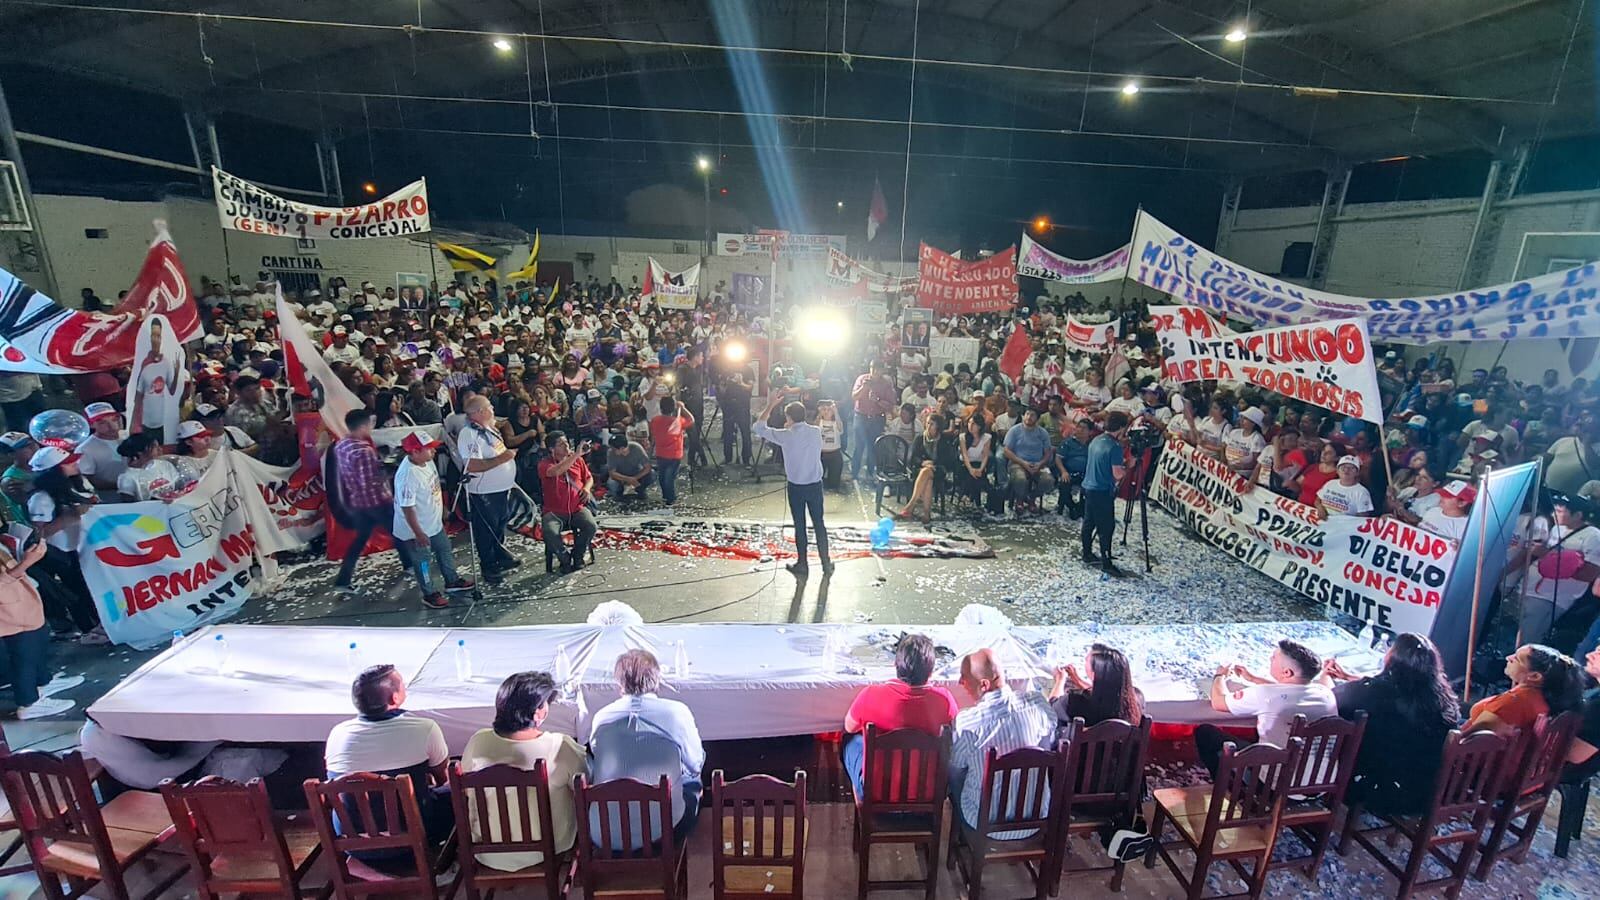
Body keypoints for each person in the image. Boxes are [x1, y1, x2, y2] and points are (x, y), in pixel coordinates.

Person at [1318, 633, 1461, 814]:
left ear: (1392, 659)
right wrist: (1350, 677)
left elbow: (1327, 699)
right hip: (1426, 795)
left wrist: (1324, 676)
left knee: (1336, 735)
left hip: (1382, 793)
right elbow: (1399, 690)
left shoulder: (1375, 692)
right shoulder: (1444, 699)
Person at [460, 671, 586, 871]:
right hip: (548, 849)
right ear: (537, 712)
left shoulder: (478, 742)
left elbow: (464, 791)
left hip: (487, 852)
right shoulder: (559, 745)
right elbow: (585, 787)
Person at [324, 665, 454, 853]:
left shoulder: (337, 734)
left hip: (355, 845)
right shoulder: (424, 728)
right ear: (394, 697)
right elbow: (443, 778)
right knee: (457, 789)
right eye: (402, 685)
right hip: (416, 841)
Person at [589, 650, 705, 846]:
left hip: (603, 836)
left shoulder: (602, 717)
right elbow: (695, 764)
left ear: (619, 684)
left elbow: (597, 756)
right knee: (693, 783)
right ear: (657, 680)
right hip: (665, 833)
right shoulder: (677, 713)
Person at [948, 648, 1056, 838]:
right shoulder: (1038, 704)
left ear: (983, 685)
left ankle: (962, 839)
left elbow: (956, 770)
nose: (959, 682)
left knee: (954, 771)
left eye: (963, 677)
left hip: (986, 823)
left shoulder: (968, 723)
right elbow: (1050, 739)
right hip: (1037, 818)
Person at [839, 634, 958, 797]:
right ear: (931, 671)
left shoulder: (870, 695)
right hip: (927, 792)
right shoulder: (945, 700)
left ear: (895, 664)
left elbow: (849, 726)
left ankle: (862, 801)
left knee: (850, 739)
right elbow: (954, 738)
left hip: (877, 792)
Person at [1196, 639, 1336, 777]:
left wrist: (1219, 676)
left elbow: (1218, 702)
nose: (1270, 658)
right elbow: (1289, 690)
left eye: (1274, 658)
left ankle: (1229, 787)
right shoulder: (1326, 693)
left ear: (1287, 672)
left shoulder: (1265, 695)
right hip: (1321, 782)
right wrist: (1253, 678)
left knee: (1205, 733)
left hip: (1274, 783)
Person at [0, 537, 82, 719]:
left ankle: (42, 682)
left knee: (37, 641)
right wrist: (28, 561)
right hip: (8, 610)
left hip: (19, 600)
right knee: (23, 655)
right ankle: (29, 702)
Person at [754, 390, 832, 579]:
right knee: (819, 524)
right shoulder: (815, 432)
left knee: (800, 525)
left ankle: (802, 564)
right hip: (815, 485)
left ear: (788, 417)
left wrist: (770, 404)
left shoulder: (785, 436)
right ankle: (826, 563)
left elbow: (758, 427)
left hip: (796, 487)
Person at [392, 432, 471, 609]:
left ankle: (452, 581)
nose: (434, 452)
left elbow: (433, 488)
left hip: (433, 521)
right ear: (415, 452)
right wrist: (418, 533)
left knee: (444, 549)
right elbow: (407, 508)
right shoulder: (407, 476)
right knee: (423, 561)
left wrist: (441, 509)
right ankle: (429, 593)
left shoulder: (427, 462)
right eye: (429, 449)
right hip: (416, 528)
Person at [1521, 493, 1600, 645]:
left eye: (1560, 511)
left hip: (1550, 597)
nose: (1554, 514)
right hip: (1529, 587)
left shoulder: (1594, 537)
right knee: (1515, 634)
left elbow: (1590, 574)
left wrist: (1552, 558)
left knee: (1528, 640)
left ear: (1578, 515)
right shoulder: (1557, 529)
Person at [459, 395, 522, 583]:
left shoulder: (488, 429)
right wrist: (503, 459)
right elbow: (472, 465)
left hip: (501, 488)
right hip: (484, 491)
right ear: (479, 412)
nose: (493, 409)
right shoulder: (469, 434)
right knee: (486, 529)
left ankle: (500, 554)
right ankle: (488, 565)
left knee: (499, 525)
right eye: (489, 407)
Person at [330, 409, 392, 595]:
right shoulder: (364, 450)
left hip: (357, 502)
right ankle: (414, 567)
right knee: (400, 534)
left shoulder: (341, 445)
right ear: (364, 426)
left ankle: (343, 579)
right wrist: (389, 472)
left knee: (359, 541)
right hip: (376, 502)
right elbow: (370, 482)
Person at [1465, 644, 1583, 737]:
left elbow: (1465, 741)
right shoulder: (1540, 699)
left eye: (1516, 659)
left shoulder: (1511, 703)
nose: (1508, 658)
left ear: (1535, 676)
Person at [1047, 643, 1144, 731]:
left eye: (1086, 661)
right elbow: (1106, 690)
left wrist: (1060, 679)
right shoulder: (1136, 698)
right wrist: (1077, 679)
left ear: (1095, 674)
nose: (1084, 662)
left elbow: (1051, 707)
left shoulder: (1074, 702)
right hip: (1121, 750)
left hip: (1081, 750)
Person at [538, 433, 598, 575]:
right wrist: (576, 454)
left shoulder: (577, 460)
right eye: (561, 444)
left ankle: (578, 556)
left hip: (577, 508)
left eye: (566, 442)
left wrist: (586, 489)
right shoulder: (545, 464)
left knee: (591, 526)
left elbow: (589, 478)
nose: (566, 446)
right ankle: (564, 558)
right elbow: (556, 471)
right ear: (552, 449)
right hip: (554, 511)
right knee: (550, 532)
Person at [1082, 411, 1129, 576]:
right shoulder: (1114, 447)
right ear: (1121, 428)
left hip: (1089, 486)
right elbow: (1117, 474)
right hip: (1102, 490)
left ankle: (1086, 553)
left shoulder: (1096, 440)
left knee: (1089, 522)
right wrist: (1128, 466)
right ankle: (1106, 562)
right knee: (1106, 526)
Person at [896, 413, 948, 525]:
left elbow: (948, 459)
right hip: (920, 469)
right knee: (928, 479)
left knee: (928, 472)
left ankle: (911, 505)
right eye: (927, 423)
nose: (928, 426)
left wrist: (933, 463)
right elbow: (911, 458)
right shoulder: (920, 438)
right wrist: (923, 462)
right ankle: (926, 514)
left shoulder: (943, 440)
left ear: (938, 426)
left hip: (938, 469)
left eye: (932, 424)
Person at [1002, 408, 1056, 514]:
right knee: (1020, 479)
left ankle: (1031, 498)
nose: (1029, 417)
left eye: (1032, 415)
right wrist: (1023, 463)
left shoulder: (1042, 433)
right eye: (1027, 414)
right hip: (1018, 463)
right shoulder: (1015, 430)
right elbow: (1006, 451)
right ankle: (1020, 500)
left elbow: (1047, 452)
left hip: (1038, 464)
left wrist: (1040, 464)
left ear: (1037, 418)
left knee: (1049, 481)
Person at [851, 360, 898, 480]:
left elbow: (891, 404)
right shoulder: (862, 379)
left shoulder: (886, 383)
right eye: (873, 368)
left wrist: (877, 400)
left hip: (877, 418)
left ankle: (871, 472)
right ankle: (854, 473)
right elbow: (854, 396)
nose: (875, 371)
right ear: (870, 368)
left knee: (873, 446)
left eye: (878, 369)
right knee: (859, 445)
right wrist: (863, 388)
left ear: (883, 370)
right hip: (861, 416)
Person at [648, 396, 693, 506]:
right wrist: (682, 408)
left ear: (660, 407)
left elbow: (653, 436)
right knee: (669, 479)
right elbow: (691, 420)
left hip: (661, 454)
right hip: (674, 455)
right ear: (673, 408)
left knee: (663, 478)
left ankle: (667, 498)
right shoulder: (677, 422)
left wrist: (650, 452)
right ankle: (670, 500)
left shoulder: (655, 420)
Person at [76, 403, 127, 492]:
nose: (112, 426)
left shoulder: (128, 438)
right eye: (102, 423)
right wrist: (123, 486)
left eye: (114, 419)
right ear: (91, 425)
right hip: (109, 498)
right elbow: (87, 479)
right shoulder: (85, 449)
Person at [114, 432, 178, 501]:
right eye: (155, 447)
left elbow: (178, 486)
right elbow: (128, 505)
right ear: (140, 451)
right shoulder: (127, 477)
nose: (160, 449)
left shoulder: (166, 465)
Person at [1054, 418, 1093, 518]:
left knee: (1093, 487)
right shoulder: (1067, 443)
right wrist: (1063, 471)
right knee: (1064, 484)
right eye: (1079, 427)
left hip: (1086, 474)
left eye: (1084, 428)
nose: (1080, 430)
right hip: (1069, 472)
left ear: (1090, 432)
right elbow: (1058, 458)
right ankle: (1071, 506)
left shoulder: (1092, 445)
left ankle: (1082, 508)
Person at [604, 431, 655, 501]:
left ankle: (641, 489)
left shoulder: (636, 448)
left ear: (621, 448)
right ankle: (619, 494)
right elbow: (612, 473)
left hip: (636, 473)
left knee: (652, 474)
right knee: (611, 484)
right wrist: (628, 479)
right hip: (620, 476)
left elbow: (647, 467)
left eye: (613, 448)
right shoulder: (611, 453)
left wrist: (635, 478)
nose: (611, 450)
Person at [958, 414, 994, 511]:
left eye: (973, 424)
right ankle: (969, 498)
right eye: (969, 423)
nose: (970, 425)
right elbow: (965, 455)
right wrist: (971, 470)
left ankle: (967, 497)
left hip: (979, 464)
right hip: (965, 464)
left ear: (979, 426)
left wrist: (980, 469)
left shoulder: (986, 438)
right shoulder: (963, 437)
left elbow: (985, 456)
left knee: (978, 476)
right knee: (971, 475)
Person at [718, 370, 754, 467]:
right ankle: (727, 458)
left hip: (743, 405)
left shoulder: (747, 370)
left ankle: (746, 459)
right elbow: (721, 389)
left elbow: (750, 387)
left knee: (745, 433)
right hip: (729, 405)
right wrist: (725, 386)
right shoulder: (726, 370)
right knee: (727, 432)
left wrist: (740, 383)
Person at [817, 400, 845, 490]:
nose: (826, 411)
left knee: (834, 485)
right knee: (818, 482)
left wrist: (836, 412)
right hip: (821, 454)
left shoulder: (836, 422)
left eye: (828, 409)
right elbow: (814, 428)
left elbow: (840, 429)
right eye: (824, 409)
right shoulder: (819, 422)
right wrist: (819, 414)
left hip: (835, 454)